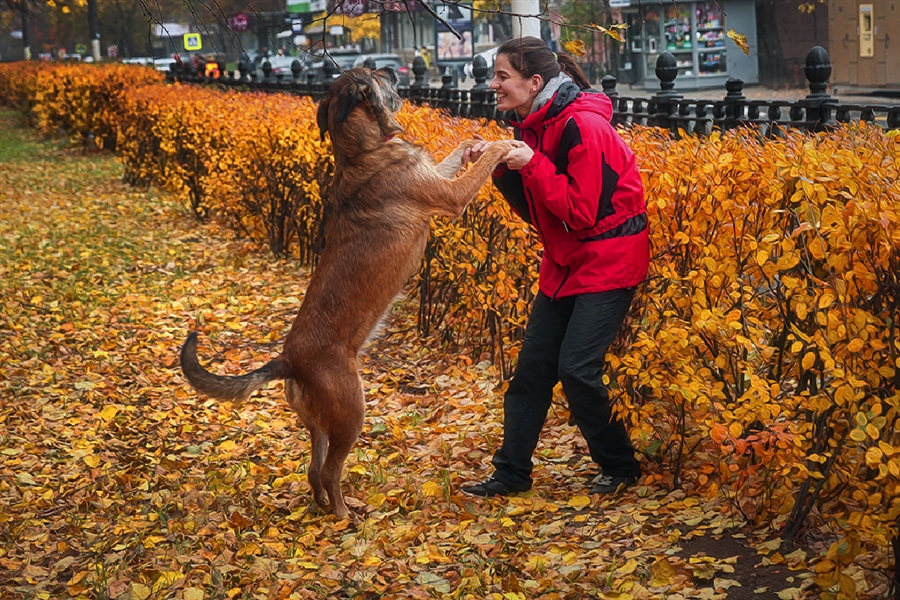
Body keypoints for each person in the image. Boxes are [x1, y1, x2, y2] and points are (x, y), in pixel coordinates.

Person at [460, 37, 649, 498]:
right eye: (495, 76)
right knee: (532, 372)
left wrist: (532, 162)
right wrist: (502, 166)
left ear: (535, 81)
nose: (494, 85)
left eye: (503, 76)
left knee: (577, 369)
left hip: (609, 258)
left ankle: (620, 466)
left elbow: (582, 212)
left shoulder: (582, 126)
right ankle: (511, 474)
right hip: (566, 261)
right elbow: (541, 210)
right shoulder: (532, 125)